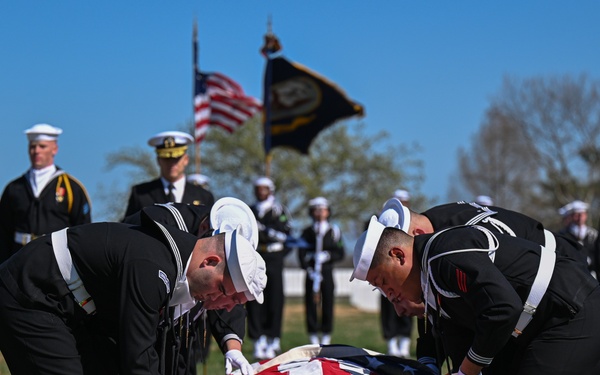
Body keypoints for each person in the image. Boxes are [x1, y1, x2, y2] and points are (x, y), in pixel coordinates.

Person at [0, 203, 266, 375]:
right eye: (221, 288)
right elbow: (137, 359)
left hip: (71, 305)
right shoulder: (154, 270)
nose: (215, 301)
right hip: (32, 292)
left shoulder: (176, 260)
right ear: (210, 262)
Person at [352, 218, 600, 375]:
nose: (390, 295)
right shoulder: (431, 278)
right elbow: (457, 338)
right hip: (545, 319)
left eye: (383, 283)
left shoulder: (442, 255)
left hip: (571, 309)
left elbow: (502, 310)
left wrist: (466, 371)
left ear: (398, 255)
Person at [123, 199, 261, 375]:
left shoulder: (210, 245)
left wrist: (232, 347)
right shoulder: (158, 224)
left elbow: (228, 295)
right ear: (206, 230)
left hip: (179, 337)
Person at [0, 123, 91, 263]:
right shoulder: (14, 188)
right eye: (32, 146)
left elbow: (83, 231)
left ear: (55, 149)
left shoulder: (72, 188)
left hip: (56, 263)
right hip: (19, 259)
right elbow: (3, 231)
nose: (36, 151)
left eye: (42, 146)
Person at [247, 176, 292, 360]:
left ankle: (273, 338)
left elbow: (287, 235)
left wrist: (265, 231)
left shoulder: (279, 210)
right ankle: (258, 339)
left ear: (271, 190)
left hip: (274, 258)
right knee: (254, 297)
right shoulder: (249, 210)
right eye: (257, 189)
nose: (260, 192)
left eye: (264, 188)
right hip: (255, 256)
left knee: (275, 298)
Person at [123, 131, 214, 218]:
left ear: (186, 160)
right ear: (158, 160)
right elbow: (128, 227)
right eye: (166, 158)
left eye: (176, 158)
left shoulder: (203, 196)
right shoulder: (141, 193)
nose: (171, 163)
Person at [298, 197, 344, 346]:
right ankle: (312, 334)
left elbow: (340, 252)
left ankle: (326, 334)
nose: (320, 213)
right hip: (312, 272)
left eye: (323, 209)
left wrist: (328, 255)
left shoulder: (334, 231)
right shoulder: (307, 232)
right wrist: (308, 268)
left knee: (328, 302)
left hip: (327, 271)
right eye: (316, 210)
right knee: (311, 303)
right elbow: (301, 253)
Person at [379, 189, 414, 357]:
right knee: (389, 308)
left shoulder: (412, 225)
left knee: (409, 305)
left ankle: (404, 344)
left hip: (407, 275)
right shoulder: (384, 222)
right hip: (388, 274)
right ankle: (391, 343)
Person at [558, 200, 599, 279]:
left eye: (582, 214)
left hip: (592, 274)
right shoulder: (564, 234)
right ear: (572, 216)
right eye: (577, 215)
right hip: (572, 274)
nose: (580, 217)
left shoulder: (593, 234)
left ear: (586, 215)